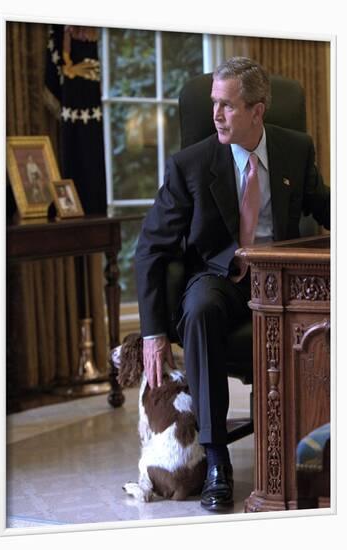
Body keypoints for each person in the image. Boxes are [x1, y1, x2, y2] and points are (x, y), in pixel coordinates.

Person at [135, 57, 330, 512]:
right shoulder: (191, 164)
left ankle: (320, 442)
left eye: (227, 106)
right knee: (201, 308)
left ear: (258, 111)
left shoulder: (296, 150)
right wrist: (153, 332)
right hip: (220, 277)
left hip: (281, 280)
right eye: (213, 105)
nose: (216, 116)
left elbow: (325, 207)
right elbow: (150, 248)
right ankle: (217, 458)